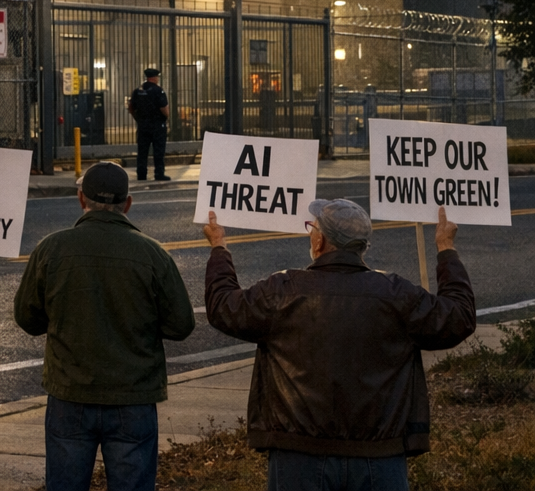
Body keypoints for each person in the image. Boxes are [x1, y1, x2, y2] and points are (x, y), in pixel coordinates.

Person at [203, 198, 476, 491]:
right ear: (361, 246)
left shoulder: (282, 291)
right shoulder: (398, 294)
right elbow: (458, 318)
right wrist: (446, 248)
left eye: (312, 228)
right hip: (379, 456)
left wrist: (219, 247)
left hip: (298, 455)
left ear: (319, 241)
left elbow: (223, 307)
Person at [14, 161, 195, 491]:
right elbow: (181, 324)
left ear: (81, 199)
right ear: (127, 204)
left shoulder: (51, 249)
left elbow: (28, 318)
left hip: (70, 395)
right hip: (133, 396)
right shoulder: (153, 255)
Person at [128, 67, 170, 181]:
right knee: (159, 151)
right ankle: (159, 173)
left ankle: (141, 174)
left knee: (142, 151)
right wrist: (166, 117)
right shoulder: (158, 91)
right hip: (157, 126)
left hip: (143, 125)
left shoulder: (138, 91)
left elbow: (131, 107)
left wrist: (138, 118)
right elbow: (164, 109)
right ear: (155, 77)